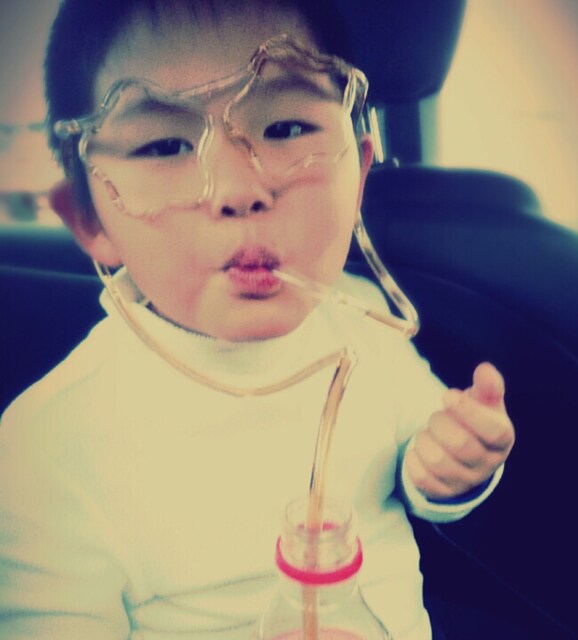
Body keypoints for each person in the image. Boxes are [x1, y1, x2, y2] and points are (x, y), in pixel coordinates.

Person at [0, 1, 515, 638]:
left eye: (286, 129)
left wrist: (454, 464)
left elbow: (419, 453)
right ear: (89, 221)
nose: (239, 188)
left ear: (357, 173)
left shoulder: (363, 320)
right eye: (165, 145)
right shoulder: (53, 444)